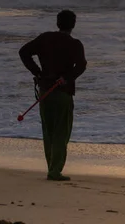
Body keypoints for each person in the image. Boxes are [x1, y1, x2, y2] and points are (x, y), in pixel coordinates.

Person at [19, 10, 87, 181]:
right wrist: (67, 78)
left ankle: (52, 167)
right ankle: (54, 171)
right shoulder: (75, 44)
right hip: (63, 93)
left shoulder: (45, 38)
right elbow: (81, 65)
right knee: (61, 132)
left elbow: (23, 52)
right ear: (73, 25)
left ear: (58, 23)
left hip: (45, 91)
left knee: (48, 131)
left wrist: (38, 72)